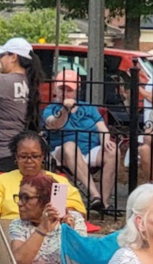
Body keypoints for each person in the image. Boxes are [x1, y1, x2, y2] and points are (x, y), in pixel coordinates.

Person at [42, 69, 117, 211]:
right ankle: (95, 195)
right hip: (63, 153)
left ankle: (104, 203)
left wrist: (105, 140)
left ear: (77, 90)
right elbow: (55, 124)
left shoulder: (88, 108)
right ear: (55, 89)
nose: (65, 93)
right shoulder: (50, 109)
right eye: (62, 89)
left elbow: (102, 128)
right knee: (70, 146)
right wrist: (65, 109)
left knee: (113, 151)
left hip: (90, 149)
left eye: (69, 90)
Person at [0, 37, 44, 173]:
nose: (0, 60)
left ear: (13, 57)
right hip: (18, 152)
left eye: (2, 55)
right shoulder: (30, 83)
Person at [0, 131, 86, 220]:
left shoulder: (60, 181)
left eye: (35, 156)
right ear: (16, 157)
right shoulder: (0, 181)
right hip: (8, 231)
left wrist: (64, 215)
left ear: (43, 156)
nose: (29, 161)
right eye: (23, 156)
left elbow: (79, 214)